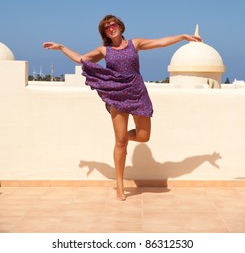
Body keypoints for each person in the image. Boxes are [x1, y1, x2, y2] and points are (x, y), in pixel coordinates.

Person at [43, 15, 202, 200]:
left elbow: (160, 42)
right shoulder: (104, 50)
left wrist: (182, 36)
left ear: (120, 26)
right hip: (117, 94)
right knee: (120, 142)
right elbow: (81, 59)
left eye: (113, 24)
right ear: (105, 33)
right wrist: (61, 47)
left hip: (137, 92)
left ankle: (122, 136)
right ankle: (119, 184)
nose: (111, 28)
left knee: (144, 136)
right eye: (107, 27)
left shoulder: (136, 43)